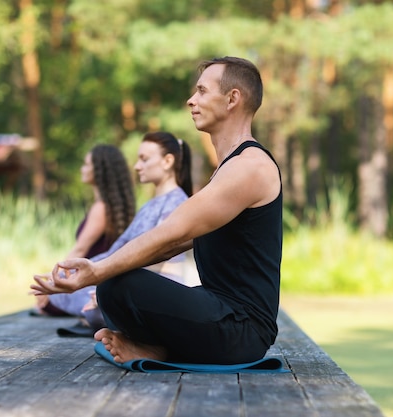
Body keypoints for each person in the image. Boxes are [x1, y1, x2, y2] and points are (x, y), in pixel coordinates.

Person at [31, 56, 282, 365]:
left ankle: (158, 348)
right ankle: (155, 348)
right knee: (114, 284)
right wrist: (103, 272)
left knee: (116, 284)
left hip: (242, 330)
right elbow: (173, 245)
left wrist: (98, 271)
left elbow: (173, 232)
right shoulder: (229, 169)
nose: (191, 100)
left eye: (202, 91)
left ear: (232, 99)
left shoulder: (250, 166)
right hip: (220, 314)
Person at [41, 131, 194, 329]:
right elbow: (116, 251)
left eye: (144, 159)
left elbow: (158, 258)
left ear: (167, 161)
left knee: (92, 303)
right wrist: (67, 275)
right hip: (129, 279)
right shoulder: (148, 206)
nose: (137, 166)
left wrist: (113, 287)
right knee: (64, 291)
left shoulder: (178, 203)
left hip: (155, 286)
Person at [30, 144, 136, 316]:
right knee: (44, 301)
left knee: (45, 301)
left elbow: (80, 249)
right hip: (97, 281)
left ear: (100, 171)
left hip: (89, 284)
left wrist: (53, 281)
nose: (82, 169)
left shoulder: (101, 208)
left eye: (87, 164)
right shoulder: (111, 207)